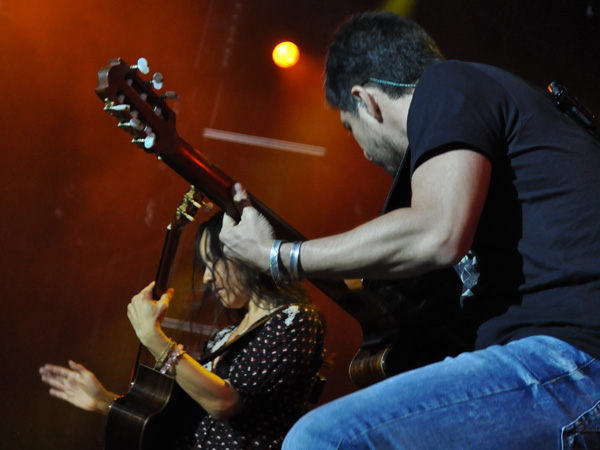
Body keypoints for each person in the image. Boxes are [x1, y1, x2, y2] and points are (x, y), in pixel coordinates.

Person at [218, 11, 600, 449]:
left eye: (350, 128)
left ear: (366, 101)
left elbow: (436, 232)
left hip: (576, 363)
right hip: (562, 369)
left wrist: (278, 256)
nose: (362, 151)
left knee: (322, 438)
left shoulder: (445, 84)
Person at [39, 211, 326, 449]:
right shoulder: (223, 338)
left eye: (214, 262)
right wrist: (106, 402)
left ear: (244, 256)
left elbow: (224, 402)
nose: (207, 277)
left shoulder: (294, 319)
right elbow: (182, 424)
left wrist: (154, 339)